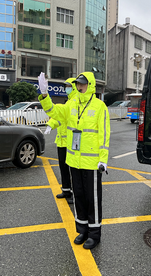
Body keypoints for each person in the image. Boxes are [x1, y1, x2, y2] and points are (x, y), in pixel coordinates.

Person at [38, 71, 110, 250]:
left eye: (83, 84)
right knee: (78, 197)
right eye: (78, 84)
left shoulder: (100, 106)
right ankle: (83, 230)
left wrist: (103, 159)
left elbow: (104, 135)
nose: (79, 87)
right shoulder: (71, 105)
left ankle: (94, 234)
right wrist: (45, 96)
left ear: (91, 85)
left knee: (92, 199)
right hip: (74, 161)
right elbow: (53, 112)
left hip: (92, 163)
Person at [44, 77, 77, 204]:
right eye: (65, 86)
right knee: (63, 168)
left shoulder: (75, 102)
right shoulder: (68, 102)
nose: (66, 88)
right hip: (62, 142)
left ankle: (75, 193)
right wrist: (50, 125)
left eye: (68, 86)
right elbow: (59, 117)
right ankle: (66, 190)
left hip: (72, 143)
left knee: (73, 170)